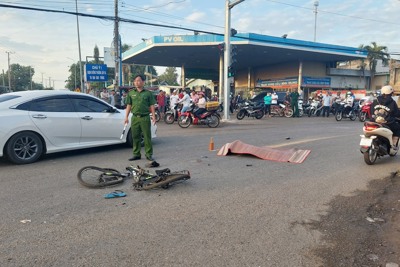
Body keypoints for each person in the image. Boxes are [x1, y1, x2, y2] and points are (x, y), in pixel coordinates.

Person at [124, 74, 156, 161]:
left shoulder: (148, 93)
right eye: (135, 81)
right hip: (134, 118)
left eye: (138, 80)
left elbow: (152, 105)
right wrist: (126, 117)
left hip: (145, 117)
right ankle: (136, 154)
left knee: (146, 136)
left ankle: (149, 154)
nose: (136, 82)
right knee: (135, 137)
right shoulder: (131, 93)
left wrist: (153, 116)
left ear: (143, 82)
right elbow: (129, 105)